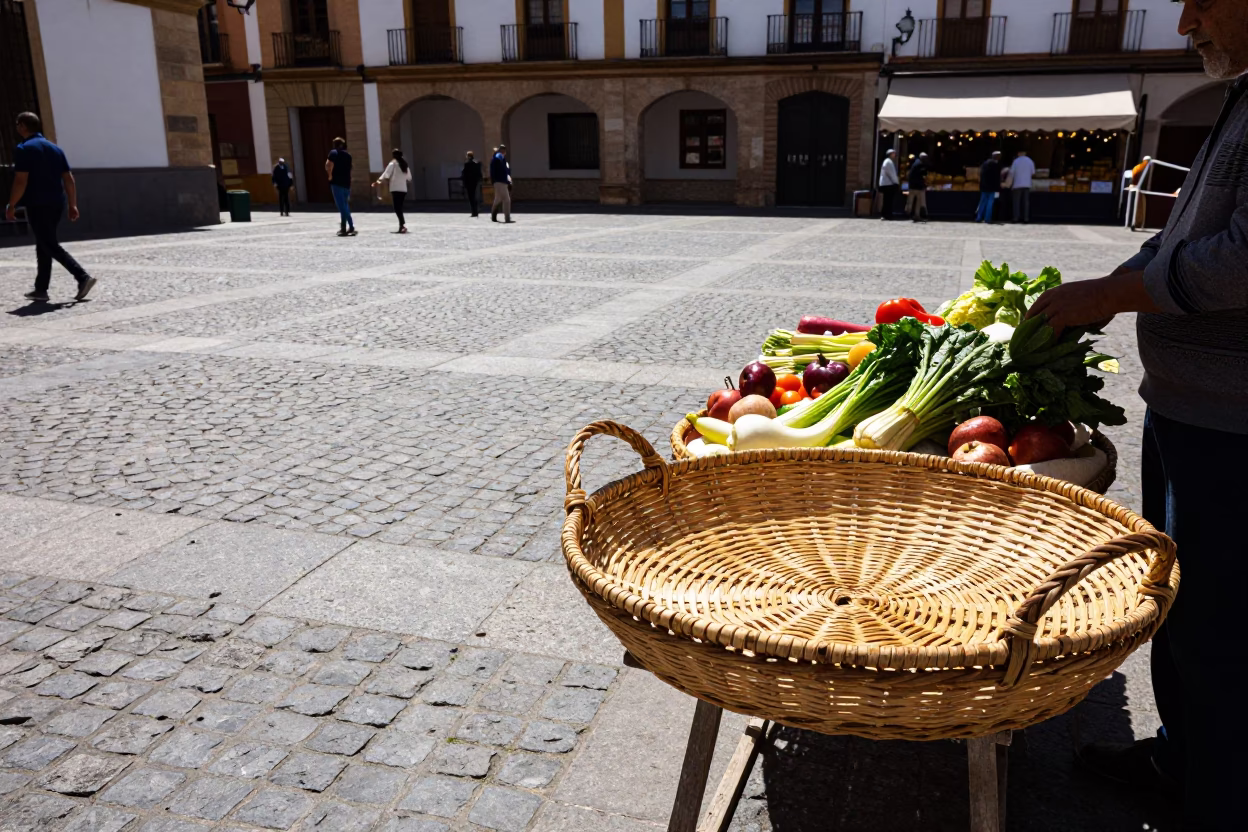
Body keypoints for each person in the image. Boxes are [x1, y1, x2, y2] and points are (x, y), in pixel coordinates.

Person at [1032, 1, 1248, 828]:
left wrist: (1116, 292)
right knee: (1181, 605)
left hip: (1235, 430)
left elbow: (1240, 263)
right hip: (1188, 412)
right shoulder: (1239, 94)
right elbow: (1180, 237)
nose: (1186, 19)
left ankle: (1216, 799)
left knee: (1223, 630)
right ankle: (1179, 759)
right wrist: (1109, 289)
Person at [4, 112, 95, 303]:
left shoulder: (24, 149)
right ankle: (40, 289)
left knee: (49, 244)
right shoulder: (55, 149)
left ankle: (82, 277)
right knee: (44, 242)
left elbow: (21, 180)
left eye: (17, 124)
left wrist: (11, 205)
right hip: (57, 203)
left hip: (38, 204)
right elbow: (69, 180)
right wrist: (72, 204)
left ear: (22, 126)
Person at [375, 149, 412, 234]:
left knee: (397, 208)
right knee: (400, 207)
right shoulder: (405, 164)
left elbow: (386, 174)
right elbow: (409, 177)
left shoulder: (392, 164)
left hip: (395, 188)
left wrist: (378, 181)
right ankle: (402, 225)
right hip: (403, 189)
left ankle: (402, 225)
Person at [326, 137, 355, 236]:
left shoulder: (333, 153)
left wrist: (330, 175)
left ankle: (351, 226)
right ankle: (343, 228)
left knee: (341, 206)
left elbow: (328, 164)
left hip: (337, 182)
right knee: (345, 205)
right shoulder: (348, 155)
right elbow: (350, 168)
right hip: (346, 183)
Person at [975, 151, 1002, 223]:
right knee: (990, 203)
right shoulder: (996, 165)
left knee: (982, 202)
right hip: (992, 187)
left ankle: (979, 217)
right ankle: (987, 218)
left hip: (984, 186)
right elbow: (997, 178)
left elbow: (981, 175)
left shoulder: (985, 164)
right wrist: (998, 187)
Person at [1009, 149, 1035, 224]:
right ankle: (1026, 218)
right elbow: (1033, 172)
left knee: (1016, 202)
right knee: (1026, 202)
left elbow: (1011, 172)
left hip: (1017, 184)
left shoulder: (1016, 161)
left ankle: (1016, 218)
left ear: (1018, 153)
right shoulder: (1030, 161)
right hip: (1027, 184)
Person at [490, 145, 513, 224]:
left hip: (500, 181)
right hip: (500, 181)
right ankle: (507, 218)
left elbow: (506, 171)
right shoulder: (498, 158)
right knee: (506, 200)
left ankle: (493, 215)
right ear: (503, 151)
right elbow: (503, 172)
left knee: (498, 199)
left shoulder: (501, 159)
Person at [906, 152, 929, 223]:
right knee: (919, 202)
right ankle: (916, 215)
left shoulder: (916, 163)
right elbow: (923, 175)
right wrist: (924, 184)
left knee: (911, 201)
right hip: (918, 186)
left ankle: (912, 214)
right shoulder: (921, 164)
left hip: (912, 185)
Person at [878, 149, 900, 221]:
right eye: (893, 154)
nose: (894, 155)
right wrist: (896, 182)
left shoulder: (887, 161)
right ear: (890, 154)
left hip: (886, 183)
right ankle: (887, 214)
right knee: (888, 200)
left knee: (887, 200)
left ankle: (886, 214)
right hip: (888, 184)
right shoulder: (889, 162)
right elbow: (892, 174)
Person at [461, 151, 483, 218]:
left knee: (471, 197)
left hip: (469, 183)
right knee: (476, 196)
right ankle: (476, 210)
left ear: (468, 156)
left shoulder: (467, 164)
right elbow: (479, 173)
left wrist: (464, 183)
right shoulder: (477, 163)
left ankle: (474, 212)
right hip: (475, 182)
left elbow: (464, 174)